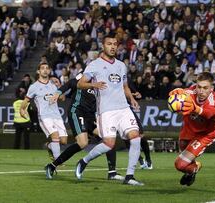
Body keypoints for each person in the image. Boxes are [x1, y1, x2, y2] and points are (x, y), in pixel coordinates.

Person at [75, 34, 143, 185]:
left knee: (136, 137)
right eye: (109, 44)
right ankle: (84, 161)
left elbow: (124, 86)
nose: (112, 46)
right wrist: (94, 85)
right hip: (106, 111)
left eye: (115, 44)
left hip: (124, 109)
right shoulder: (94, 65)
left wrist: (131, 99)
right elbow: (80, 84)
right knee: (109, 144)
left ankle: (130, 176)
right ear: (103, 46)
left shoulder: (121, 65)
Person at [44, 71, 124, 181]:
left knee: (109, 137)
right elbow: (70, 84)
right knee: (83, 143)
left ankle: (112, 173)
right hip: (77, 112)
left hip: (91, 117)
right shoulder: (84, 79)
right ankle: (52, 166)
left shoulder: (102, 84)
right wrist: (58, 92)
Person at [169, 72, 215, 186]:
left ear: (211, 88)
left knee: (180, 165)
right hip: (188, 130)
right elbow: (181, 93)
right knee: (185, 162)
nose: (201, 91)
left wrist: (196, 109)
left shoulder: (214, 100)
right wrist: (176, 92)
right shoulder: (190, 92)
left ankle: (195, 167)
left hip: (205, 135)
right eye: (199, 87)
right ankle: (191, 171)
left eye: (205, 88)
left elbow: (210, 113)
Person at [20, 63, 68, 160]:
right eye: (42, 68)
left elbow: (62, 98)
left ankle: (49, 146)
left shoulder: (53, 84)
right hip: (44, 116)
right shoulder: (34, 87)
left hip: (57, 116)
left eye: (47, 68)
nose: (45, 70)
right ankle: (57, 161)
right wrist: (22, 109)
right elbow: (26, 100)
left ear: (49, 71)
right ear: (38, 71)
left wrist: (59, 86)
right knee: (55, 134)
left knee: (63, 141)